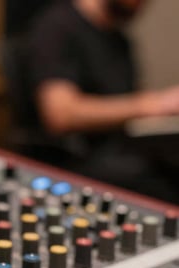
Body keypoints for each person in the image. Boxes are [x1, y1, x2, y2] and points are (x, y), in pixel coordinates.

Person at [27, 0, 179, 203]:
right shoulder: (57, 27)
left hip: (123, 152)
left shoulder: (118, 39)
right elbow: (60, 114)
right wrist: (150, 105)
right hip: (76, 160)